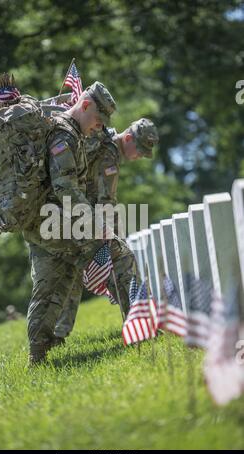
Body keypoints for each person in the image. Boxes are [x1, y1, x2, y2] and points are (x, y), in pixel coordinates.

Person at [23, 81, 126, 365]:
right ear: (84, 105)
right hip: (53, 222)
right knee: (115, 253)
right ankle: (139, 327)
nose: (99, 126)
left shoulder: (72, 134)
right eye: (98, 119)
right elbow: (66, 188)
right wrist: (95, 225)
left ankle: (42, 352)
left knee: (59, 281)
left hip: (49, 221)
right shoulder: (63, 136)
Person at [53, 118, 159, 343]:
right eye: (139, 149)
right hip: (82, 217)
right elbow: (105, 201)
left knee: (70, 275)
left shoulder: (100, 139)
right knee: (123, 262)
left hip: (65, 213)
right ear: (128, 138)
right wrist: (115, 235)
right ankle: (139, 325)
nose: (139, 155)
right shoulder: (109, 153)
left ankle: (56, 335)